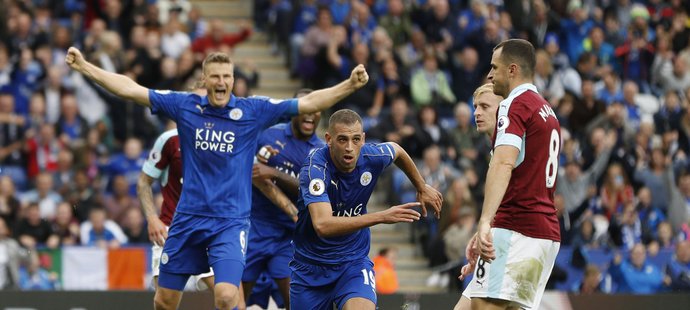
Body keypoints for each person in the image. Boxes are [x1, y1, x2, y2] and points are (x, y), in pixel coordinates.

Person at [65, 46, 370, 310]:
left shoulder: (253, 111)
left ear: (233, 81)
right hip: (186, 221)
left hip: (229, 222)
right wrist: (85, 67)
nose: (221, 82)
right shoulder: (185, 106)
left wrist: (349, 86)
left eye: (227, 76)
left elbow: (309, 103)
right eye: (215, 76)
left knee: (227, 296)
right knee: (164, 301)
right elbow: (130, 89)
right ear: (206, 79)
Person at [290, 109, 443, 310]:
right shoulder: (315, 169)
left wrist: (421, 186)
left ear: (363, 139)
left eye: (355, 140)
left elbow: (396, 150)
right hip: (310, 267)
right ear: (328, 139)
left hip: (352, 262)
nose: (350, 148)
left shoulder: (371, 155)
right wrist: (381, 216)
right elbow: (323, 224)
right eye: (342, 140)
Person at [456, 39, 561, 310]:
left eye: (494, 67)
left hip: (519, 227)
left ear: (512, 69)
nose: (490, 74)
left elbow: (503, 164)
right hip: (539, 230)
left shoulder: (515, 105)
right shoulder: (546, 111)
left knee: (481, 306)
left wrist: (484, 223)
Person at [241, 88, 326, 308]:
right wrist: (257, 164)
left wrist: (275, 173)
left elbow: (316, 193)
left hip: (288, 236)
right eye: (304, 107)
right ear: (293, 111)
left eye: (315, 109)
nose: (309, 113)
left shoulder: (321, 153)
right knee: (233, 300)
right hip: (254, 228)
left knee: (295, 301)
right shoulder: (268, 135)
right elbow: (246, 169)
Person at [137, 125, 214, 291]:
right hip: (171, 228)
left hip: (209, 229)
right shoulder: (169, 140)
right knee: (164, 301)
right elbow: (144, 182)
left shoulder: (223, 138)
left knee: (227, 296)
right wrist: (152, 218)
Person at [453, 83, 502, 310]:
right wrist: (482, 232)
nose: (476, 113)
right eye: (475, 107)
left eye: (484, 106)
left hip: (514, 240)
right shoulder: (494, 147)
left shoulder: (511, 146)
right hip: (498, 237)